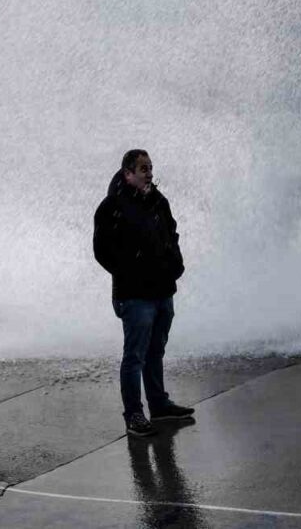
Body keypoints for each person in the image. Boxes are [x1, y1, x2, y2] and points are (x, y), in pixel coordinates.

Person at [93, 149, 196, 437]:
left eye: (150, 167)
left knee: (156, 350)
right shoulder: (112, 206)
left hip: (163, 291)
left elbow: (171, 234)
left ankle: (159, 406)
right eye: (142, 169)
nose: (149, 173)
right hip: (135, 295)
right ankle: (134, 415)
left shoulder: (158, 201)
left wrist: (175, 264)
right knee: (134, 356)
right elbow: (102, 251)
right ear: (128, 174)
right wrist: (131, 273)